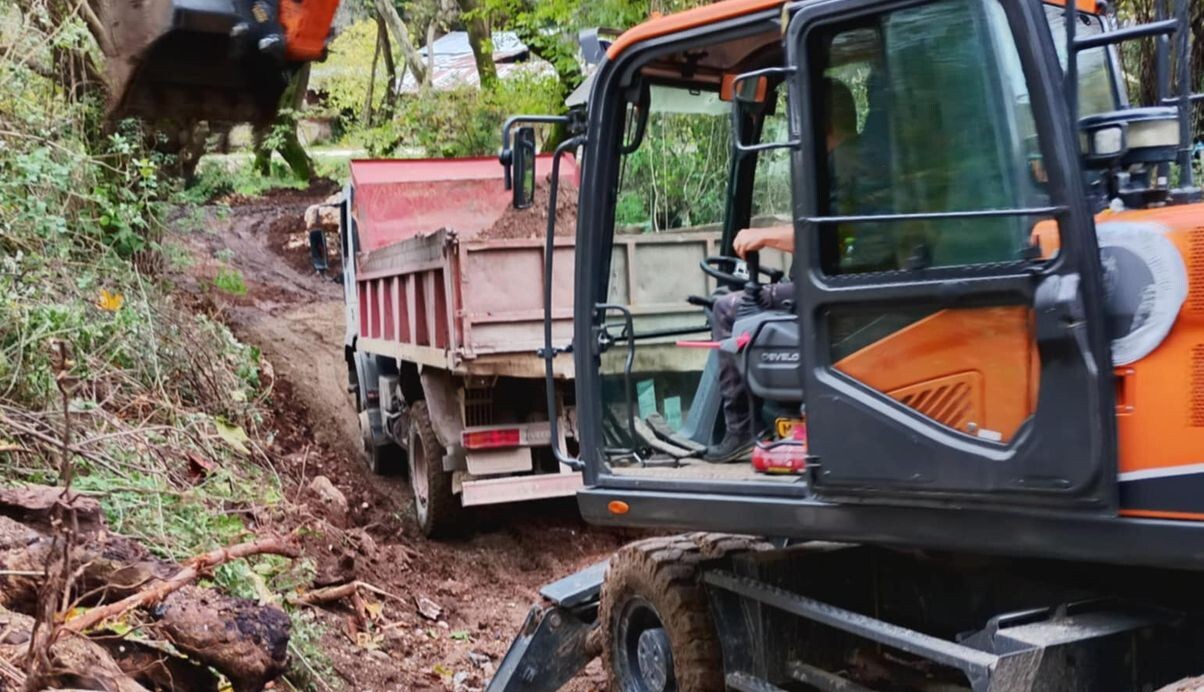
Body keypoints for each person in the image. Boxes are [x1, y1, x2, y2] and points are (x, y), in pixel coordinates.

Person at [704, 78, 860, 463]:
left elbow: (827, 238)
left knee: (727, 308)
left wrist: (765, 237)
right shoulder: (858, 161)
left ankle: (739, 431)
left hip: (836, 291)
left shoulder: (844, 165)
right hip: (840, 283)